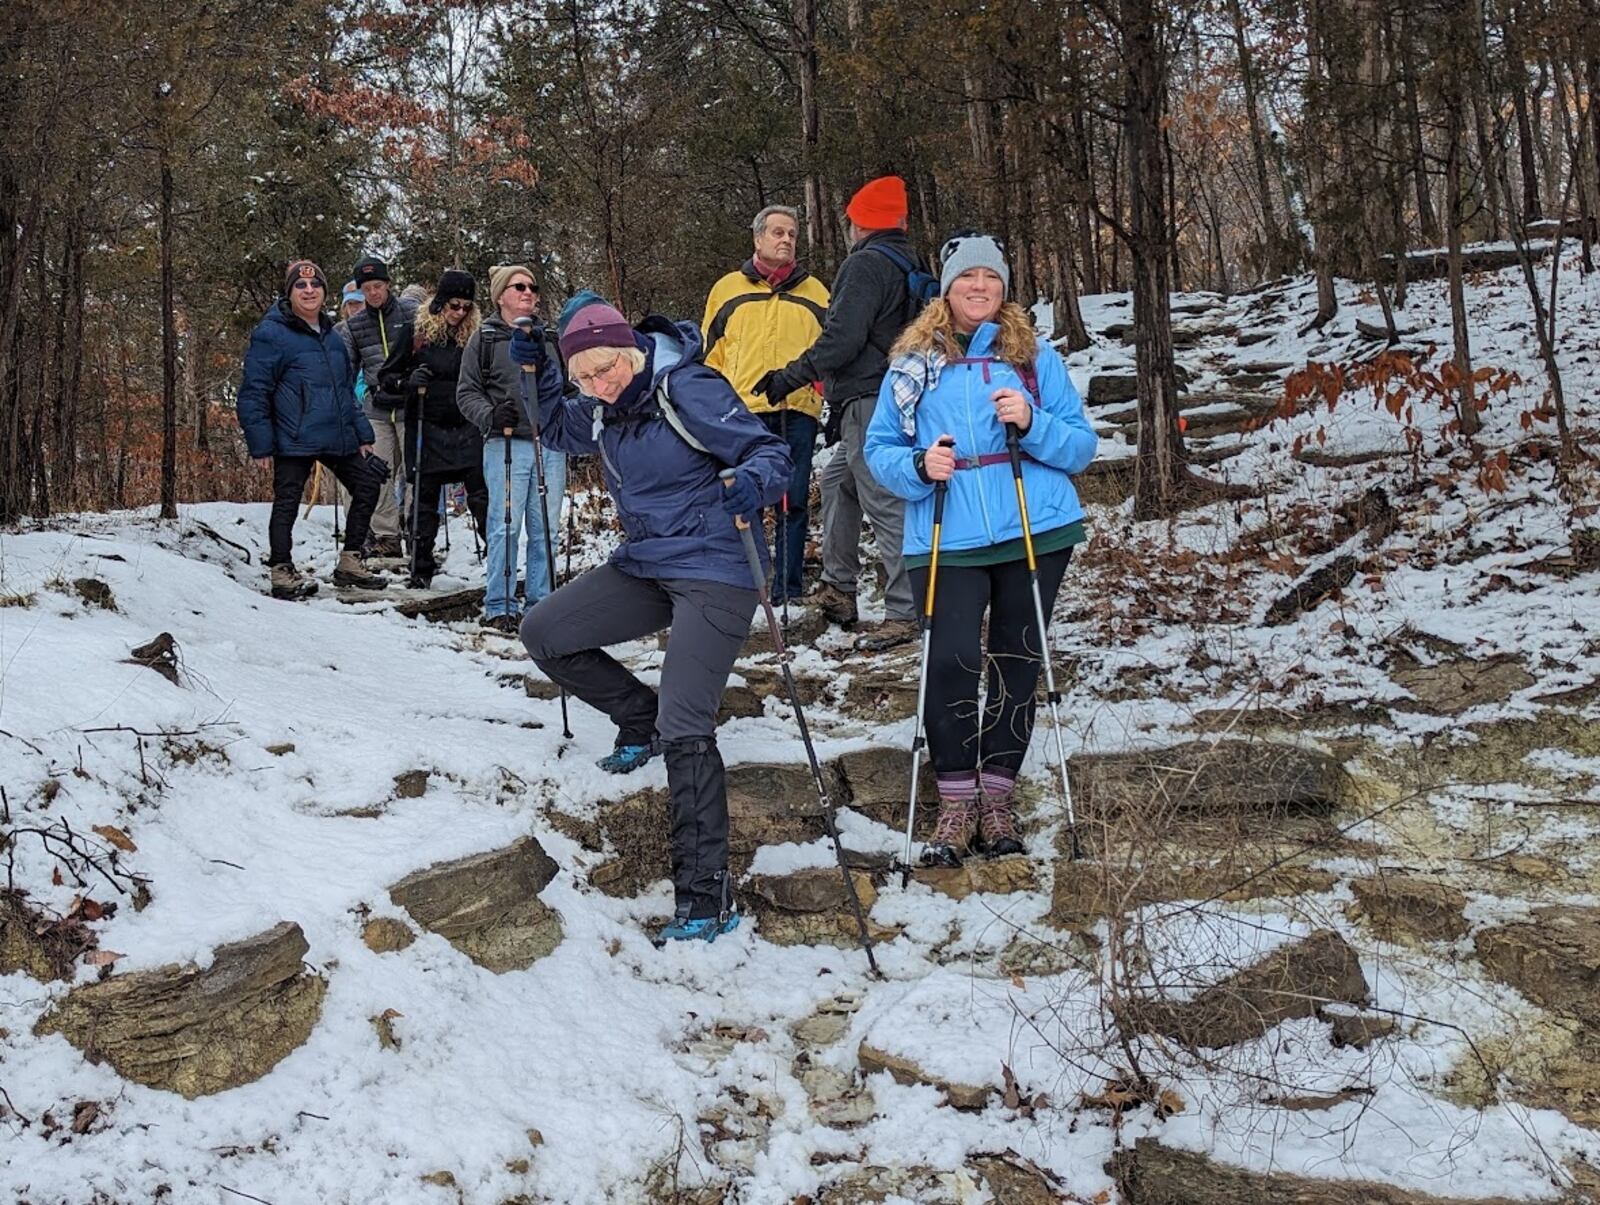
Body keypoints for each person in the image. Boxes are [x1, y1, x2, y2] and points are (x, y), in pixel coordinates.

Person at [512, 296, 790, 943]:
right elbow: (554, 427)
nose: (597, 386)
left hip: (719, 567)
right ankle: (639, 716)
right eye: (583, 377)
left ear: (631, 349)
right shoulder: (605, 409)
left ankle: (706, 899)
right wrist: (537, 377)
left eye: (603, 370)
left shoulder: (683, 387)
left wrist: (751, 482)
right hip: (646, 562)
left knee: (688, 722)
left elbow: (768, 453)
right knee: (544, 632)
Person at [864, 234, 1096, 864]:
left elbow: (1080, 447)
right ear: (946, 287)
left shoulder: (1032, 357)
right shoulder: (912, 361)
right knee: (952, 663)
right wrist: (920, 464)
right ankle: (955, 802)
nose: (979, 288)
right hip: (947, 533)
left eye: (990, 279)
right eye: (967, 278)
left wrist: (1031, 421)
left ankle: (998, 799)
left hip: (1034, 528)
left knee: (1019, 661)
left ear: (1003, 288)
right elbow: (878, 448)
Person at [757, 176, 930, 651]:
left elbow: (843, 338)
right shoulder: (908, 261)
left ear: (860, 222)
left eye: (851, 221)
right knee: (839, 480)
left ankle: (906, 612)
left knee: (884, 500)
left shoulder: (865, 265)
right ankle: (839, 588)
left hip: (870, 400)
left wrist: (788, 377)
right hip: (896, 395)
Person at [236, 260, 390, 599]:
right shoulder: (272, 333)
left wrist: (363, 435)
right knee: (288, 501)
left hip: (336, 434)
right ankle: (281, 570)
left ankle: (351, 560)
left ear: (324, 292)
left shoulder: (333, 336)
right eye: (300, 286)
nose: (309, 291)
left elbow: (345, 392)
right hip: (293, 436)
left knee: (367, 485)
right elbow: (254, 391)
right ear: (289, 293)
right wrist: (259, 442)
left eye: (315, 286)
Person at [701, 204, 829, 604]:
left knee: (792, 500)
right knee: (745, 500)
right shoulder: (727, 290)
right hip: (743, 414)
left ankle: (787, 591)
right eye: (777, 232)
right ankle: (747, 589)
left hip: (798, 410)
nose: (786, 240)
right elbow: (710, 354)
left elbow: (831, 351)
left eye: (791, 234)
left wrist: (823, 394)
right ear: (757, 238)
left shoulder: (817, 292)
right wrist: (715, 404)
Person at [455, 264, 568, 633]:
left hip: (549, 443)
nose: (528, 293)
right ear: (501, 294)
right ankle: (499, 605)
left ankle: (542, 604)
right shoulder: (484, 338)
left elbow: (568, 386)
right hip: (505, 443)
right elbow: (466, 392)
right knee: (504, 526)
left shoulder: (549, 337)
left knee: (546, 528)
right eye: (519, 287)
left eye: (533, 288)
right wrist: (490, 415)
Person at [377, 269, 489, 589]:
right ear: (440, 303)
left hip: (467, 428)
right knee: (424, 502)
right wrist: (408, 382)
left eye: (467, 307)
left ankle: (500, 565)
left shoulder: (476, 335)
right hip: (426, 425)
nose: (460, 313)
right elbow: (387, 378)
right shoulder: (416, 331)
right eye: (454, 305)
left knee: (482, 499)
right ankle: (421, 568)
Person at [339, 255, 419, 558]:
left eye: (378, 286)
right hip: (376, 409)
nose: (373, 293)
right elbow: (347, 370)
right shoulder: (355, 326)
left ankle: (416, 530)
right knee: (378, 473)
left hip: (412, 406)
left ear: (387, 284)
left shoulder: (411, 312)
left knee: (415, 473)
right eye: (367, 288)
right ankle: (387, 535)